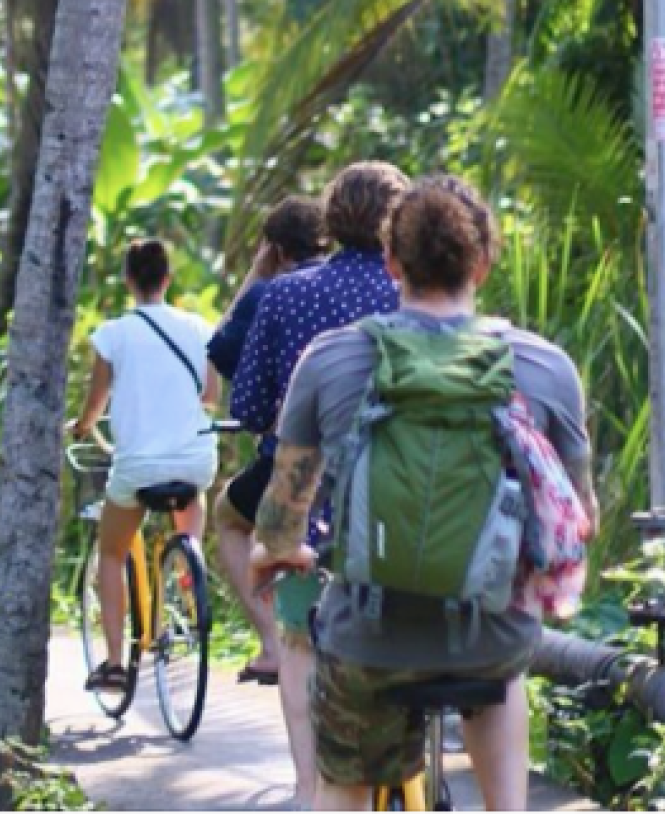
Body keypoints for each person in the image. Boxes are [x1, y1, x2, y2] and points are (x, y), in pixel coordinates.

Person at [250, 176, 600, 814]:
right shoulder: (546, 367)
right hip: (491, 637)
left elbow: (280, 523)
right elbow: (580, 521)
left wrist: (281, 556)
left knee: (341, 787)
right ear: (484, 262)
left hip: (369, 636)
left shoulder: (329, 361)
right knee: (502, 669)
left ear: (391, 262)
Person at [230, 161, 407, 811]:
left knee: (301, 640)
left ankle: (310, 790)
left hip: (305, 507)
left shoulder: (283, 294)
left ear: (330, 219)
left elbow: (248, 405)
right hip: (408, 505)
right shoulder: (415, 295)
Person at [69, 239, 219, 693]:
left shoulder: (114, 334)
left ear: (129, 281)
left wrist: (81, 427)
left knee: (112, 554)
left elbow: (96, 405)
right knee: (190, 512)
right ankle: (188, 587)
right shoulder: (198, 328)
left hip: (137, 467)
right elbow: (210, 397)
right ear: (168, 280)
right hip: (194, 459)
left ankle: (114, 664)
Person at [207, 196, 329, 686]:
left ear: (276, 249)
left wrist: (255, 277)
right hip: (358, 457)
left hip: (293, 460)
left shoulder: (272, 292)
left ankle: (273, 644)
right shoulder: (368, 287)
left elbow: (221, 351)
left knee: (230, 517)